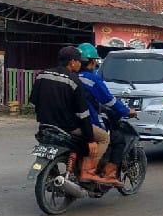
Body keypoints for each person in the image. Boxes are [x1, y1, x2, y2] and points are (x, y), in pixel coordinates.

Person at [29, 46, 108, 184]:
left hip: (45, 125)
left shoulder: (42, 75)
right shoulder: (74, 80)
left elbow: (34, 100)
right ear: (72, 62)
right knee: (104, 138)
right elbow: (83, 114)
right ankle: (88, 172)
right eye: (79, 61)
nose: (80, 64)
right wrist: (90, 140)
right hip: (67, 127)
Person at [75, 43, 130, 188]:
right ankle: (107, 174)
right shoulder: (91, 79)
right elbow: (108, 100)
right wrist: (126, 111)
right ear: (92, 61)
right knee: (115, 138)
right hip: (86, 120)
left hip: (68, 120)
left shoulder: (71, 75)